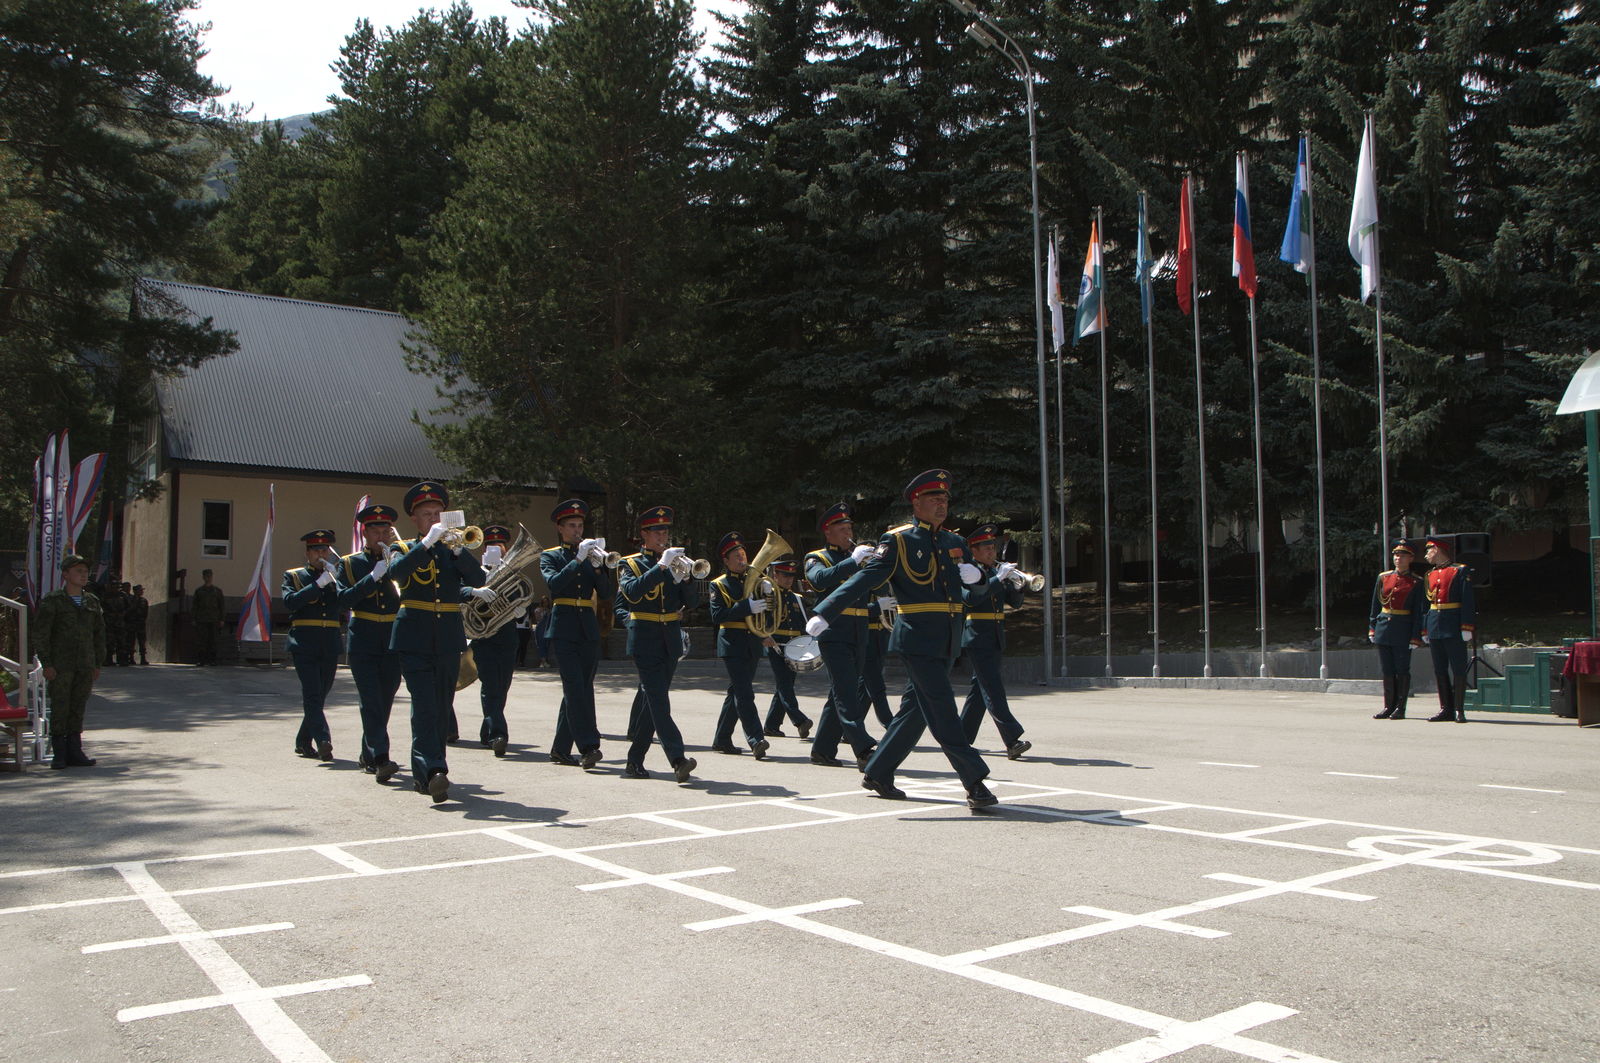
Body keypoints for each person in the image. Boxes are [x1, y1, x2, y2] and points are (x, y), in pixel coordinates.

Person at [807, 469, 998, 810]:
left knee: (916, 712)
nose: (942, 504)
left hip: (948, 641)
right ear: (916, 502)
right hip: (917, 641)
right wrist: (825, 612)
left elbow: (972, 597)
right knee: (943, 710)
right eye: (934, 498)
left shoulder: (954, 543)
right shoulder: (898, 540)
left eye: (945, 499)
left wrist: (979, 580)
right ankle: (975, 781)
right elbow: (865, 578)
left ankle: (879, 771)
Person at [387, 481, 492, 802]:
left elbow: (479, 578)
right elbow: (396, 574)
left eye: (438, 514)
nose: (434, 519)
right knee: (425, 707)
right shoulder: (403, 548)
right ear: (415, 519)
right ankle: (435, 770)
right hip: (413, 638)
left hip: (447, 638)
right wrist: (426, 544)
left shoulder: (452, 551)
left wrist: (460, 552)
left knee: (442, 708)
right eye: (427, 515)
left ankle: (428, 775)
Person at [617, 505, 697, 782]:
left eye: (665, 531)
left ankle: (633, 761)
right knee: (659, 702)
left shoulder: (676, 563)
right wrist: (661, 566)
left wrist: (687, 578)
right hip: (645, 639)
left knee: (654, 703)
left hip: (670, 639)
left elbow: (692, 603)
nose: (663, 536)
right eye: (657, 532)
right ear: (644, 534)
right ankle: (678, 759)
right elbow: (631, 593)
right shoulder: (629, 563)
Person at [803, 503, 879, 769]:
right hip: (833, 632)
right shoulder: (817, 558)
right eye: (843, 529)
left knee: (842, 691)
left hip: (859, 632)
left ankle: (822, 749)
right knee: (847, 693)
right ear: (828, 532)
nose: (849, 534)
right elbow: (819, 580)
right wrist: (853, 561)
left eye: (850, 529)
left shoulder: (859, 559)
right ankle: (863, 749)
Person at [541, 499, 613, 769]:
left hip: (588, 628)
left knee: (581, 688)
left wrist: (601, 567)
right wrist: (578, 559)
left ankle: (560, 749)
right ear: (560, 529)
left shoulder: (591, 558)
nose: (577, 531)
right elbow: (554, 584)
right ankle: (589, 746)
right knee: (575, 688)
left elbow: (605, 593)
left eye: (580, 526)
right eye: (571, 526)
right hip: (564, 628)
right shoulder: (550, 556)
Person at [336, 503, 403, 783]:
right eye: (376, 530)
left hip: (393, 637)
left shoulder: (400, 559)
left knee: (385, 699)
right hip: (363, 636)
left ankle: (368, 753)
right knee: (371, 699)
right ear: (365, 533)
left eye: (386, 530)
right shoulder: (349, 563)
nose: (381, 535)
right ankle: (381, 758)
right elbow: (342, 600)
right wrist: (372, 577)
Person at [958, 523, 1031, 758]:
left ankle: (960, 739)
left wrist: (1018, 586)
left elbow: (1015, 603)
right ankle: (1012, 740)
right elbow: (970, 599)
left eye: (993, 547)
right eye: (987, 548)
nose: (992, 552)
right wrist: (998, 579)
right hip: (977, 635)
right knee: (993, 689)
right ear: (974, 551)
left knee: (979, 691)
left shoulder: (994, 571)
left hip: (995, 634)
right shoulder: (967, 571)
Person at [34, 554, 106, 769]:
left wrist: (97, 663)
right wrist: (47, 663)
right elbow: (41, 634)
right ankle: (59, 753)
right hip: (61, 665)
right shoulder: (53, 600)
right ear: (66, 574)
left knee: (78, 707)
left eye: (85, 572)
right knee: (60, 706)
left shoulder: (91, 601)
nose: (83, 575)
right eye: (78, 571)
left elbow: (99, 634)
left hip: (85, 664)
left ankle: (75, 750)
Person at [708, 532, 774, 759]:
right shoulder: (718, 584)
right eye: (736, 556)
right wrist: (746, 606)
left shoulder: (755, 582)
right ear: (726, 561)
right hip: (732, 643)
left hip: (752, 642)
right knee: (745, 693)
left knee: (736, 691)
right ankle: (756, 739)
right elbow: (718, 616)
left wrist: (769, 598)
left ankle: (722, 739)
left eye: (743, 554)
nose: (742, 559)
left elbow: (766, 612)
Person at [283, 529, 344, 762]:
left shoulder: (336, 577)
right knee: (312, 693)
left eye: (325, 550)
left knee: (320, 694)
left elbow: (346, 602)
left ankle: (302, 740)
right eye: (316, 550)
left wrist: (338, 581)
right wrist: (318, 584)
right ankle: (323, 740)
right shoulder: (294, 576)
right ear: (307, 553)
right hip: (304, 642)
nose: (321, 555)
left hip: (329, 642)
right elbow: (290, 602)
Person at [469, 525, 519, 757]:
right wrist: (477, 589)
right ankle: (499, 734)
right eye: (491, 546)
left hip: (507, 637)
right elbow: (463, 597)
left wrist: (520, 608)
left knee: (502, 687)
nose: (496, 550)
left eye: (500, 547)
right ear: (484, 550)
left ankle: (487, 732)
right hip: (484, 638)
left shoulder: (511, 573)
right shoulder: (474, 572)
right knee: (490, 687)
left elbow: (521, 594)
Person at [1368, 539, 1424, 720]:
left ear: (1411, 558)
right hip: (1384, 627)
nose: (1398, 558)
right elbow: (1376, 605)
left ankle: (1400, 707)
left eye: (1403, 555)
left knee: (1402, 669)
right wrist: (1372, 627)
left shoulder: (1416, 581)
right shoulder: (1383, 578)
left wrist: (1415, 636)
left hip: (1403, 629)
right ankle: (1388, 706)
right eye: (1396, 555)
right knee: (1387, 669)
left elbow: (1418, 612)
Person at [1422, 536, 1476, 723]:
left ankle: (1459, 709)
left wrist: (1466, 626)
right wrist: (1425, 628)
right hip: (1434, 625)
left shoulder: (1459, 570)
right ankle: (1446, 708)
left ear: (1437, 550)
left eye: (1429, 551)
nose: (1426, 555)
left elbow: (1467, 600)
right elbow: (1425, 605)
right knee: (1439, 669)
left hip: (1453, 625)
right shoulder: (1429, 575)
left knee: (1458, 668)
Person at [761, 556, 813, 738]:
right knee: (785, 684)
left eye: (791, 576)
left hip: (794, 647)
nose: (789, 579)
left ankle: (771, 725)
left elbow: (803, 623)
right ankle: (800, 720)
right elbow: (760, 619)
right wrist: (763, 635)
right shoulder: (769, 596)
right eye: (784, 575)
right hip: (775, 644)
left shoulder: (796, 598)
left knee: (786, 685)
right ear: (775, 575)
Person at [192, 569, 226, 665]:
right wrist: (193, 618)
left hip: (214, 619)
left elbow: (222, 606)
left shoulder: (217, 591)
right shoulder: (199, 591)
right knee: (201, 640)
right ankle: (201, 660)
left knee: (213, 640)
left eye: (210, 576)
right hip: (202, 619)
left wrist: (222, 619)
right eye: (206, 576)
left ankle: (212, 660)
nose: (208, 578)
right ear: (203, 577)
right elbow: (195, 606)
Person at [100, 579, 126, 666]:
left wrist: (122, 614)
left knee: (121, 641)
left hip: (120, 622)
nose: (115, 589)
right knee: (109, 642)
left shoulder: (122, 596)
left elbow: (129, 606)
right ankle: (108, 659)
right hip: (109, 623)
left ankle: (121, 660)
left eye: (117, 587)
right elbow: (102, 608)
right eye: (113, 587)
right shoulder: (105, 596)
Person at [126, 585, 150, 665]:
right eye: (140, 590)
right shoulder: (130, 600)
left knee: (142, 641)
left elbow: (145, 612)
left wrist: (143, 620)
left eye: (142, 590)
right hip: (132, 623)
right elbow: (127, 611)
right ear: (135, 591)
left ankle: (143, 658)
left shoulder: (144, 600)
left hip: (141, 624)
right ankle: (131, 658)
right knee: (131, 641)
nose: (142, 591)